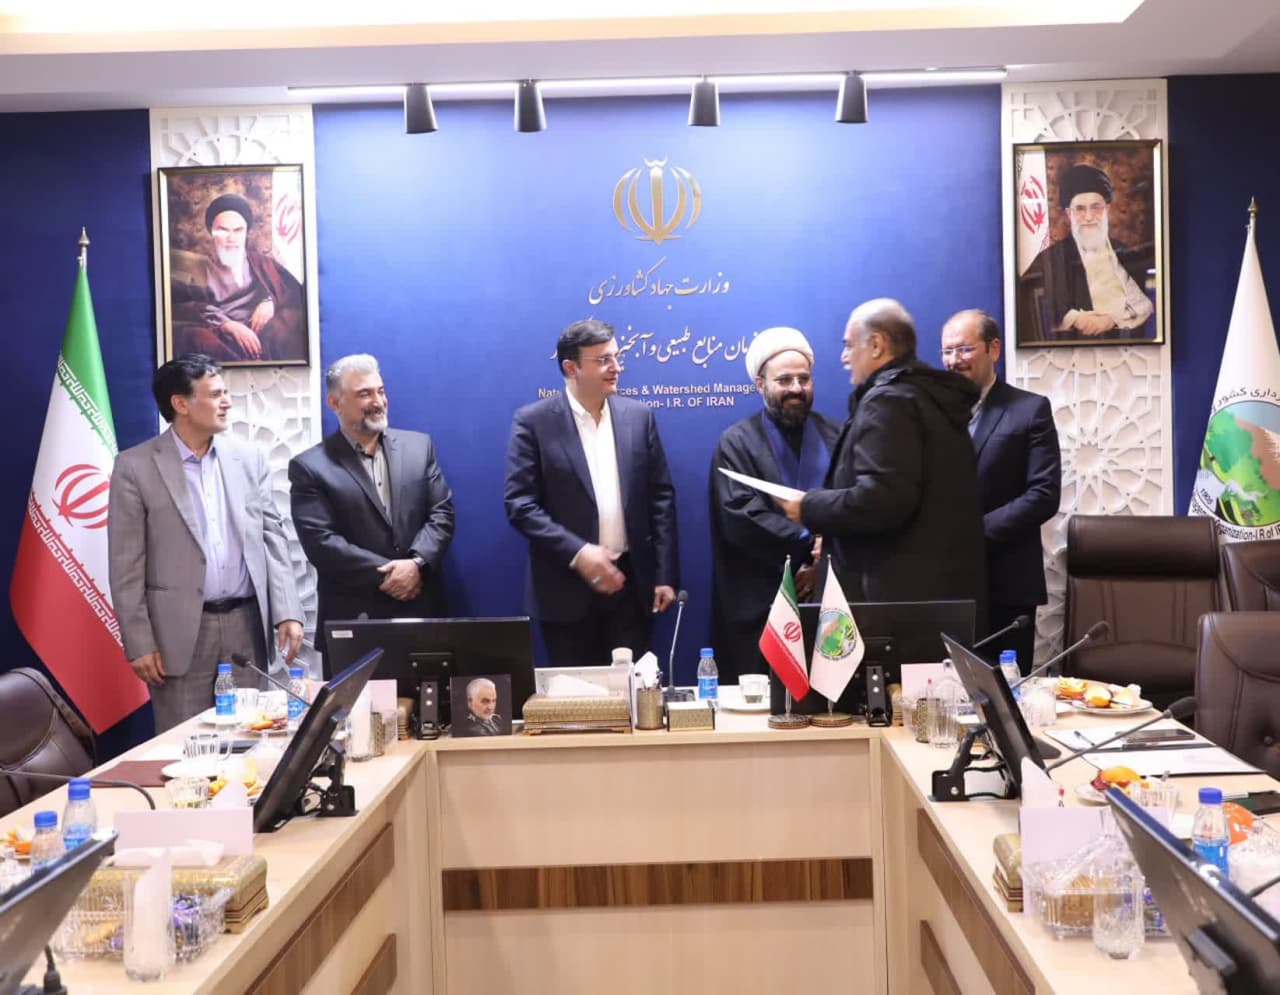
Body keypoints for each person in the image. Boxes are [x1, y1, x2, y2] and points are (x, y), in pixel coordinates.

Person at [107, 354, 304, 732]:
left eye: (225, 393)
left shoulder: (249, 459)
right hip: (178, 633)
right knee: (184, 743)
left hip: (246, 624)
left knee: (252, 735)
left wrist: (288, 611)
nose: (226, 402)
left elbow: (272, 538)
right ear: (180, 404)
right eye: (215, 394)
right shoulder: (135, 466)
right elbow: (125, 564)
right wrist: (139, 641)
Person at [775, 299, 987, 629]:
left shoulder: (889, 402)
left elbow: (882, 500)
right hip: (933, 600)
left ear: (876, 345)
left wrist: (809, 507)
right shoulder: (923, 397)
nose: (844, 357)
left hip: (895, 606)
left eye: (849, 345)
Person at [504, 318, 679, 669]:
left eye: (616, 357)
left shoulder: (639, 416)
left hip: (631, 586)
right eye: (603, 360)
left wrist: (665, 574)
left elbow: (661, 498)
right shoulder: (534, 422)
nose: (616, 367)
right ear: (571, 368)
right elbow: (520, 505)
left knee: (633, 692)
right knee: (578, 696)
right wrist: (579, 552)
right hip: (565, 589)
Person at [288, 354, 455, 675]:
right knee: (357, 709)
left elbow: (442, 513)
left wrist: (416, 564)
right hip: (355, 620)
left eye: (381, 391)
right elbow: (321, 542)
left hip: (422, 611)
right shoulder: (310, 467)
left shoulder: (419, 447)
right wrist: (391, 576)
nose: (378, 402)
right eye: (364, 394)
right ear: (334, 403)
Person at [709, 326, 840, 681]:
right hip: (761, 600)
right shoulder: (736, 443)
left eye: (804, 379)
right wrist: (807, 544)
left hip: (830, 596)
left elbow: (855, 504)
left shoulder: (837, 435)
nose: (796, 388)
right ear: (760, 384)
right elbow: (740, 516)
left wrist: (824, 557)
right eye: (784, 380)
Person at [941, 310, 1062, 671]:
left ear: (993, 349)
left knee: (1006, 694)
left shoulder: (1029, 410)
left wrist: (973, 536)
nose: (954, 360)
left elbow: (1043, 494)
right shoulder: (932, 414)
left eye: (964, 349)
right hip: (944, 585)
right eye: (947, 351)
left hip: (1006, 586)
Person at [1017, 163, 1154, 341]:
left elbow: (1145, 305)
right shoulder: (1049, 259)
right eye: (1080, 209)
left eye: (1096, 207)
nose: (1089, 217)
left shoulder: (1125, 254)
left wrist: (1112, 320)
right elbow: (1031, 304)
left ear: (1107, 209)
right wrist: (1072, 318)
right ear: (1069, 214)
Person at [169, 192, 306, 362]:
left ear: (246, 232)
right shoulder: (198, 267)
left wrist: (270, 302)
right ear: (212, 232)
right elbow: (179, 304)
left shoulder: (261, 263)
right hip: (219, 332)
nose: (231, 238)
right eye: (223, 230)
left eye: (238, 230)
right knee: (197, 338)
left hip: (260, 331)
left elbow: (292, 292)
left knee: (286, 326)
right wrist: (227, 324)